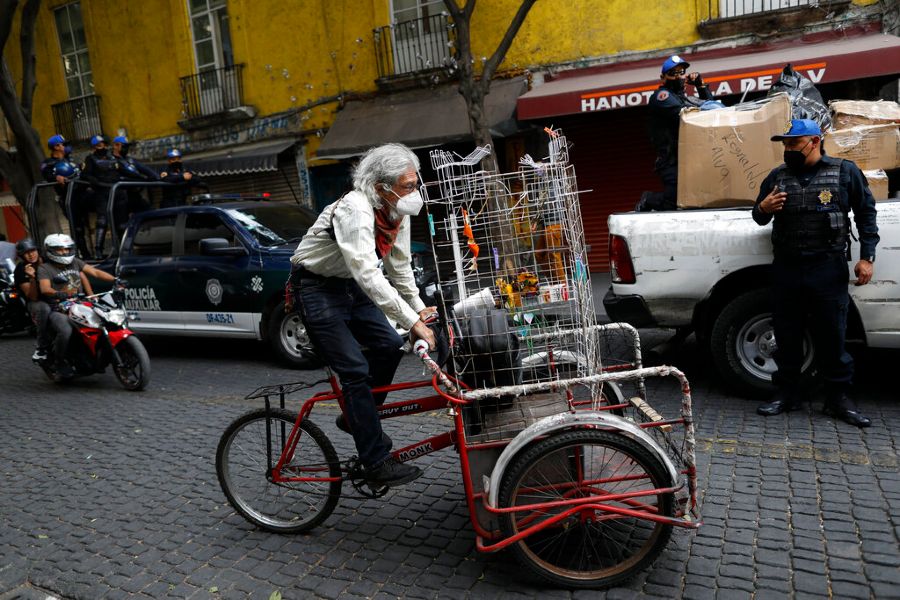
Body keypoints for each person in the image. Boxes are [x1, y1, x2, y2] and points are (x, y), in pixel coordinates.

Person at [289, 143, 436, 487]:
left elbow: (399, 269)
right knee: (355, 370)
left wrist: (418, 311)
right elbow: (369, 274)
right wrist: (411, 321)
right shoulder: (356, 209)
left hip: (350, 287)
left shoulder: (395, 210)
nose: (414, 192)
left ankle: (356, 417)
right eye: (407, 185)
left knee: (388, 346)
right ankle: (375, 461)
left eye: (416, 184)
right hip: (316, 287)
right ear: (381, 186)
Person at [753, 119, 878, 428]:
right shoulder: (776, 177)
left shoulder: (845, 171)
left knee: (832, 334)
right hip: (787, 267)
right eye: (784, 145)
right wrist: (764, 208)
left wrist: (867, 257)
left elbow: (865, 212)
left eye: (793, 144)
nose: (787, 150)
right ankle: (786, 393)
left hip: (827, 267)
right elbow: (757, 216)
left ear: (814, 140)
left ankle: (838, 398)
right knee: (787, 334)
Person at [637, 54, 714, 212]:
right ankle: (648, 199)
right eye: (673, 73)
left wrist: (700, 86)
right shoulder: (661, 98)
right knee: (674, 202)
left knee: (693, 199)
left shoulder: (682, 98)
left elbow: (711, 108)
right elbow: (689, 115)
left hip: (686, 159)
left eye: (681, 72)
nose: (679, 76)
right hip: (670, 161)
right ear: (663, 78)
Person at [37, 233, 116, 377]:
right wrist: (59, 293)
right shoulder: (44, 268)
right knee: (65, 330)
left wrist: (115, 280)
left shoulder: (75, 262)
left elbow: (95, 272)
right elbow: (44, 288)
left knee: (104, 320)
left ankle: (97, 356)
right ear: (50, 250)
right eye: (60, 249)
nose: (65, 252)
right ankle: (59, 362)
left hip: (80, 303)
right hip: (58, 308)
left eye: (67, 249)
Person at [39, 134, 91, 257]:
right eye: (64, 145)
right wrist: (56, 177)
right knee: (77, 228)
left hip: (82, 195)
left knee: (90, 223)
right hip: (68, 198)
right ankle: (84, 255)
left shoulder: (71, 161)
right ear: (56, 147)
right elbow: (46, 174)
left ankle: (95, 252)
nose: (67, 147)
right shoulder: (49, 163)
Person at [12, 238, 52, 361]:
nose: (31, 254)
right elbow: (33, 297)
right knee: (43, 309)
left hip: (55, 296)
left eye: (33, 250)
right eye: (26, 252)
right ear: (22, 255)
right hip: (36, 302)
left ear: (37, 250)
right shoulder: (20, 269)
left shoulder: (48, 261)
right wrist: (32, 278)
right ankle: (42, 347)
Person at [111, 136, 156, 226]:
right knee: (122, 227)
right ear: (115, 146)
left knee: (152, 215)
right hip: (120, 199)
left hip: (134, 196)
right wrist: (141, 178)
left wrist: (159, 177)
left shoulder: (129, 160)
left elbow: (149, 171)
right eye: (124, 146)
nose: (126, 149)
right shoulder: (110, 160)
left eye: (127, 146)